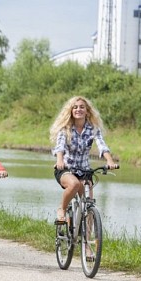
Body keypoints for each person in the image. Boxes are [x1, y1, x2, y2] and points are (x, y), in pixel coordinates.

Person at [50, 96, 118, 224]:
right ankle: (62, 209)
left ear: (87, 111)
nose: (78, 109)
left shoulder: (93, 129)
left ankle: (87, 242)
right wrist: (59, 160)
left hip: (84, 170)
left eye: (82, 107)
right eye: (75, 107)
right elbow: (60, 146)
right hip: (66, 168)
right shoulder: (65, 128)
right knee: (74, 184)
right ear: (71, 111)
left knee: (88, 206)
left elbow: (102, 145)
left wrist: (109, 161)